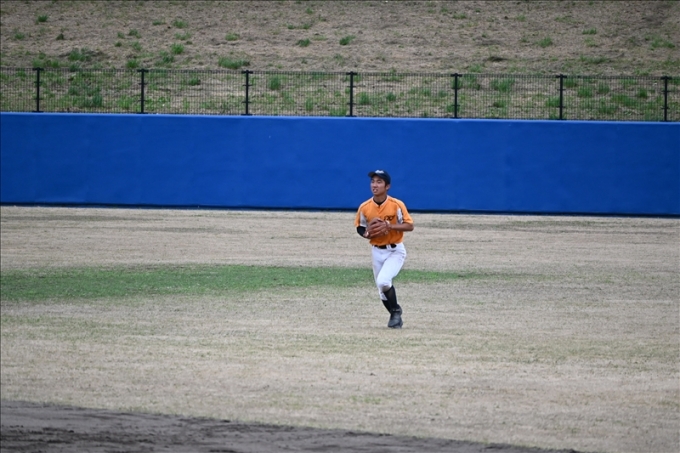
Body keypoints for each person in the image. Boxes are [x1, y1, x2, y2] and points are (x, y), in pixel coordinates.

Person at [354, 170, 414, 328]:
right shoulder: (365, 207)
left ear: (387, 186)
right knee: (382, 290)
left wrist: (390, 226)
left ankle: (396, 311)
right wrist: (366, 234)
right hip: (376, 251)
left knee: (383, 281)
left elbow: (409, 226)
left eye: (379, 182)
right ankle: (395, 316)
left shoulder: (396, 205)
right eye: (373, 181)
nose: (375, 185)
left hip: (395, 250)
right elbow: (360, 226)